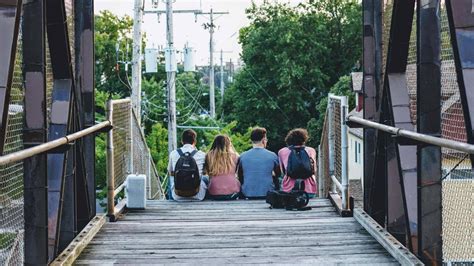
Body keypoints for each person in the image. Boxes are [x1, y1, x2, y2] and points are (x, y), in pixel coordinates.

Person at [238, 127, 281, 199]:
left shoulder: (243, 156)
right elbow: (278, 174)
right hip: (268, 194)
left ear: (251, 140)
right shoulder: (272, 155)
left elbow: (240, 176)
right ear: (263, 140)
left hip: (248, 194)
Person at [168, 129, 208, 201]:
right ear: (195, 141)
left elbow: (170, 172)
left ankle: (170, 200)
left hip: (177, 196)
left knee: (170, 178)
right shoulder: (202, 155)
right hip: (198, 195)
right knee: (205, 178)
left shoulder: (173, 153)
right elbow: (205, 172)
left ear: (182, 141)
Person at [278, 128, 317, 197]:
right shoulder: (311, 150)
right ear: (304, 139)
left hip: (289, 189)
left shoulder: (282, 152)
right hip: (309, 189)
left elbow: (283, 171)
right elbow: (314, 170)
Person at [205, 135, 241, 200]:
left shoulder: (208, 155)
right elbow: (236, 172)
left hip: (214, 193)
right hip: (233, 193)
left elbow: (208, 173)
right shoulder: (235, 156)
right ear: (228, 144)